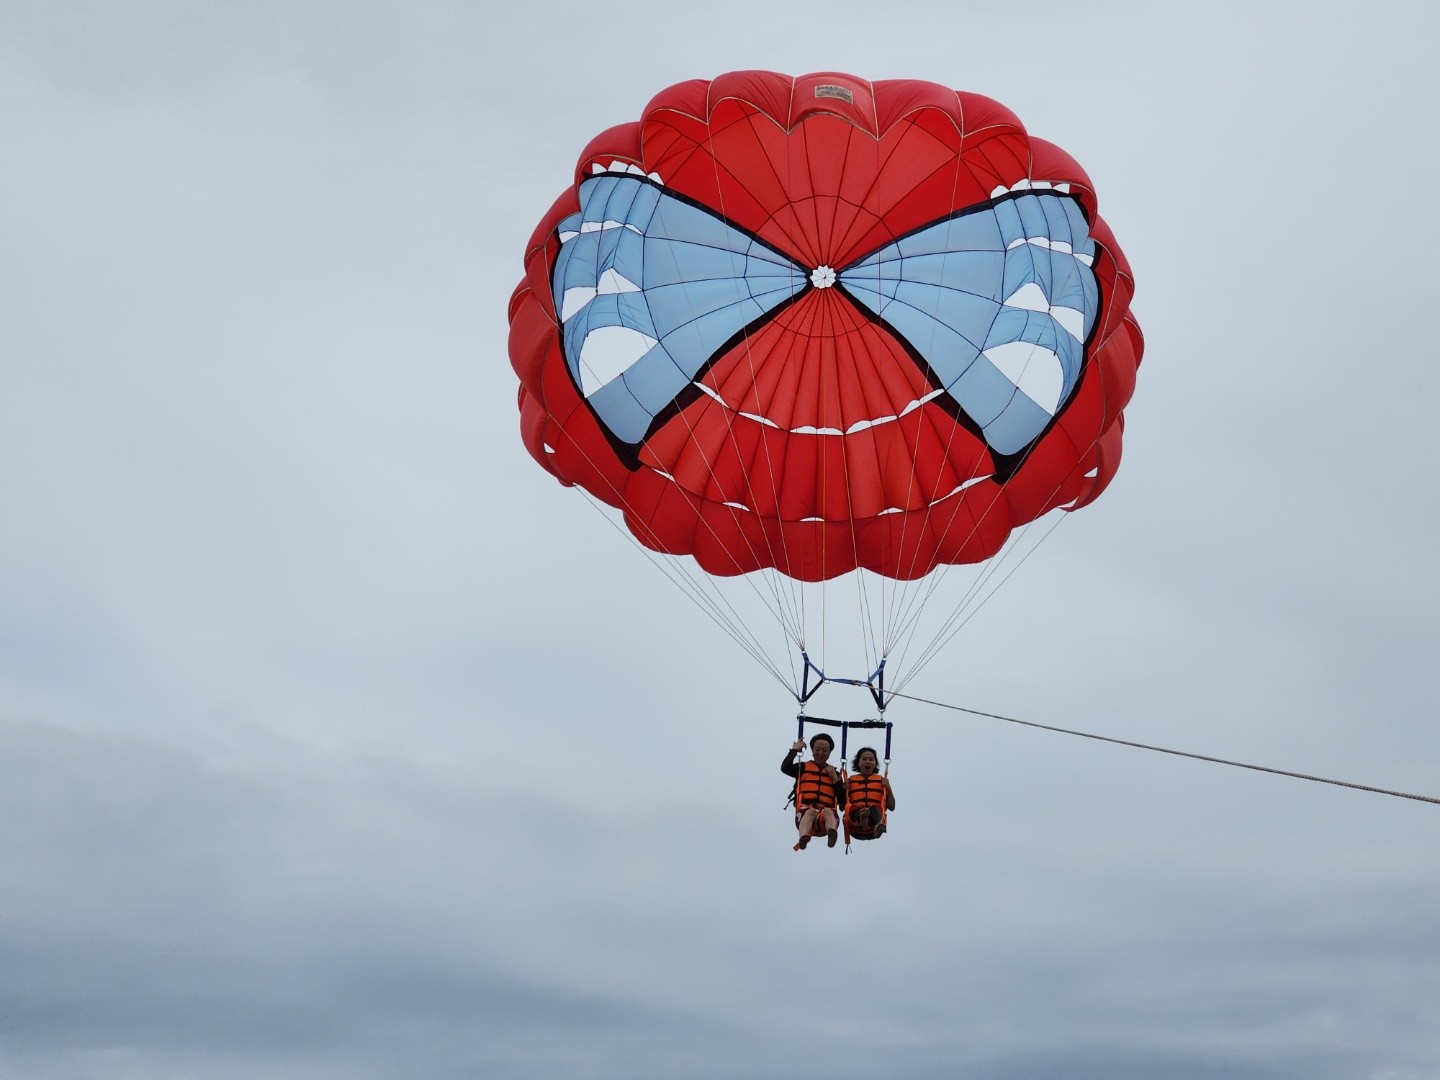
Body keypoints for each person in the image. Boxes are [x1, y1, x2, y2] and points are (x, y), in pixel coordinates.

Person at [782, 733, 845, 849]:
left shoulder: (835, 774)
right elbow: (785, 768)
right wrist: (794, 750)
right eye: (817, 749)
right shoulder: (803, 768)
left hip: (826, 819)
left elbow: (843, 803)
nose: (820, 753)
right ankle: (803, 837)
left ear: (829, 753)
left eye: (824, 750)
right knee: (810, 812)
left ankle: (832, 833)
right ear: (812, 751)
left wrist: (835, 779)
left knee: (828, 812)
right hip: (805, 813)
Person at [843, 746, 895, 841]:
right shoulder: (850, 781)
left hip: (873, 826)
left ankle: (878, 826)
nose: (868, 761)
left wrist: (888, 788)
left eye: (871, 759)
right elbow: (842, 807)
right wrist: (843, 789)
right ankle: (862, 817)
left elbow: (891, 807)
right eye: (864, 759)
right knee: (856, 809)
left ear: (875, 763)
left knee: (875, 809)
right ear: (858, 763)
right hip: (855, 826)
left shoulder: (882, 781)